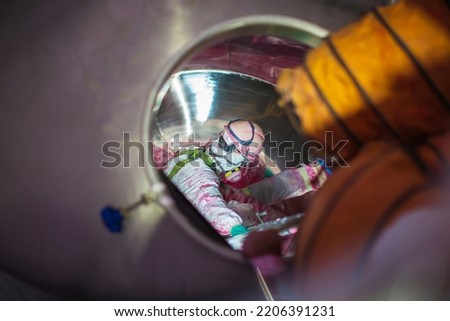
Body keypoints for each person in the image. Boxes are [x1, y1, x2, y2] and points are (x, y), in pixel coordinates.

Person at [164, 119, 266, 236]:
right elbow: (210, 207)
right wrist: (238, 231)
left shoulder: (192, 152)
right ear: (238, 154)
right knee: (247, 216)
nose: (241, 166)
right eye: (244, 161)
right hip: (174, 228)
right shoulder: (202, 176)